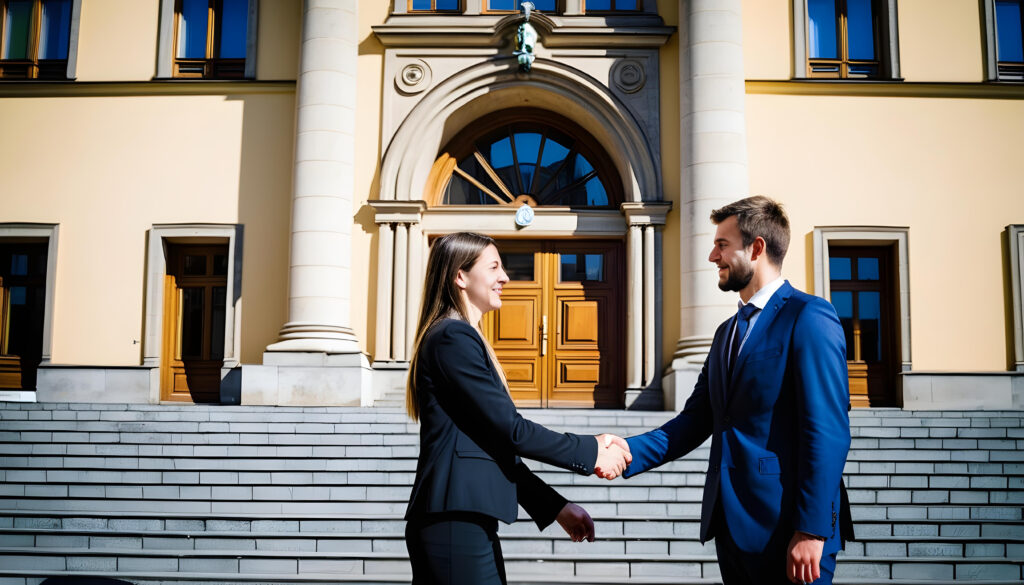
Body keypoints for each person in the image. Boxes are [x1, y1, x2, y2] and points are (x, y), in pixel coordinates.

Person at [615, 196, 853, 585]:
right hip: (733, 529)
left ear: (756, 248)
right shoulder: (726, 333)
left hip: (791, 533)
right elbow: (695, 420)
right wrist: (627, 452)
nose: (712, 255)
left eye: (722, 245)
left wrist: (812, 530)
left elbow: (827, 431)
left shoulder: (808, 316)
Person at [404, 232, 632, 585]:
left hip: (461, 519)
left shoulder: (458, 337)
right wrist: (591, 450)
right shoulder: (452, 337)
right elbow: (512, 429)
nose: (505, 277)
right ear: (460, 277)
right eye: (494, 266)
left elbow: (495, 445)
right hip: (453, 522)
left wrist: (555, 507)